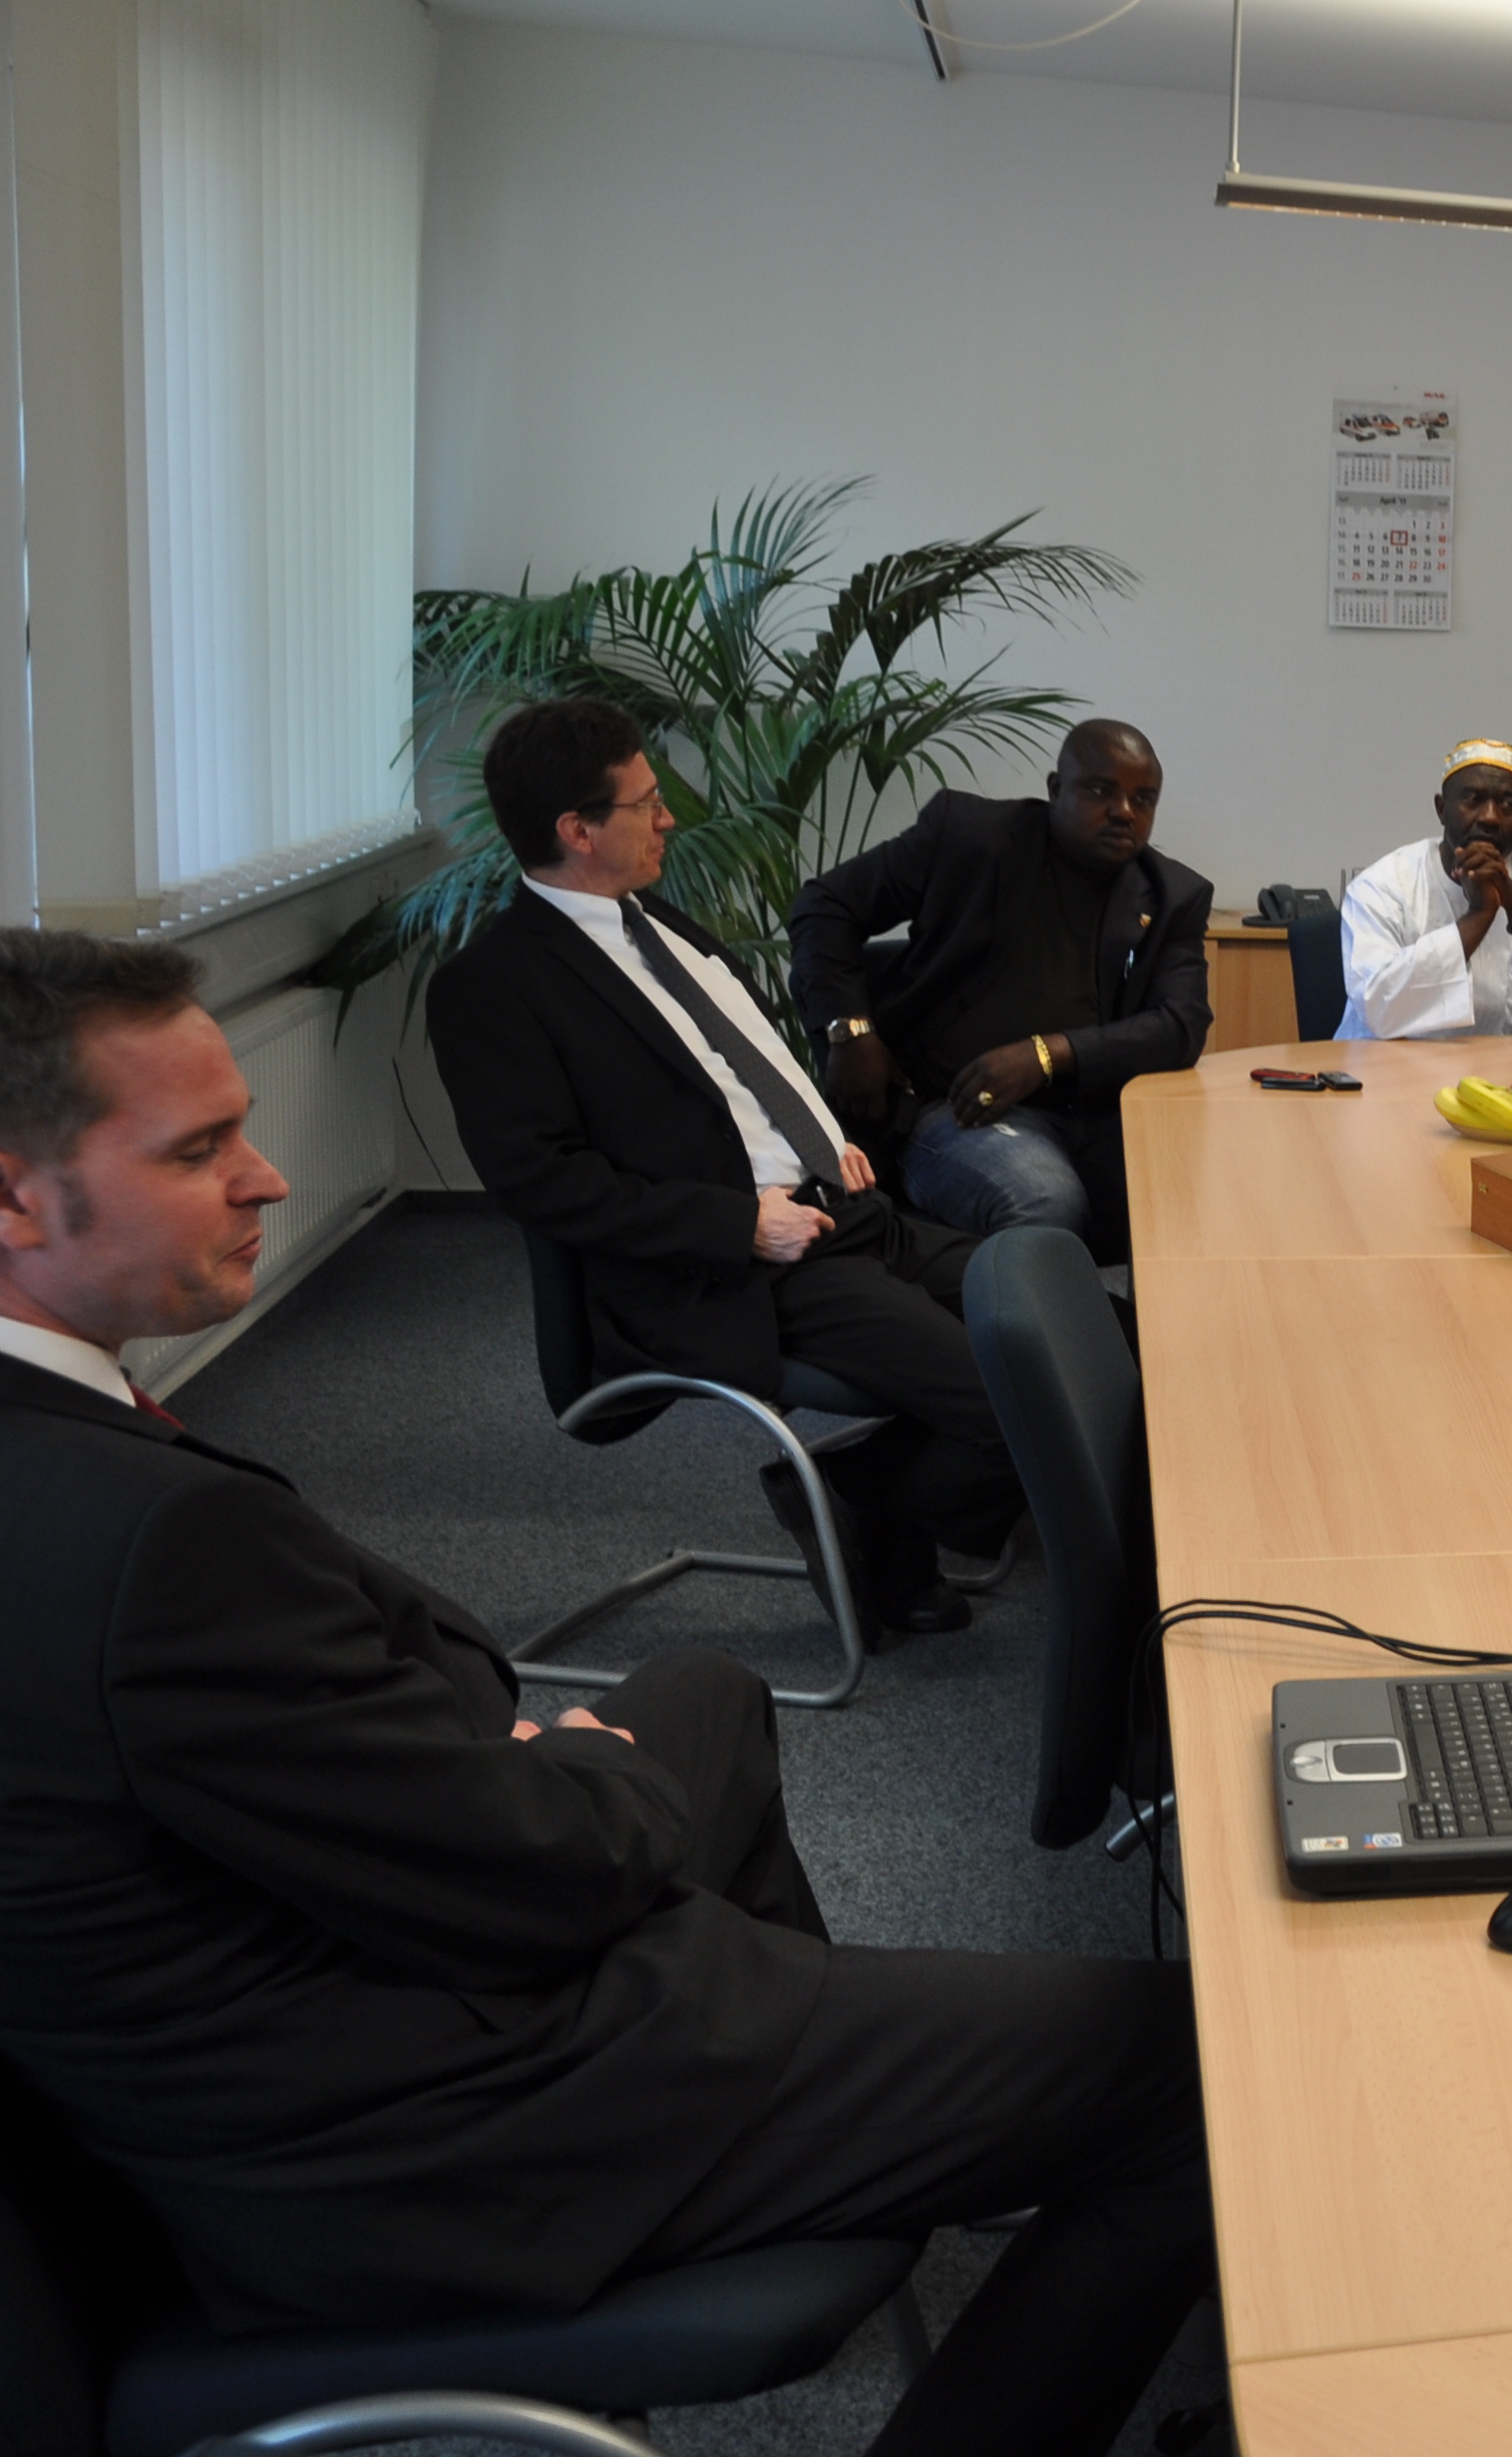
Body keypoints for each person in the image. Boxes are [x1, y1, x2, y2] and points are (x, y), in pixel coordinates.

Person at [0, 928, 1212, 2455]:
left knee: (703, 1693)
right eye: (198, 1150)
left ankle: (830, 2110)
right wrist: (556, 1762)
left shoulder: (80, 1474)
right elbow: (531, 1874)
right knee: (1195, 2069)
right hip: (443, 2140)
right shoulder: (153, 1545)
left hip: (298, 1998)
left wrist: (520, 1757)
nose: (268, 1178)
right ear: (14, 1197)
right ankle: (797, 2123)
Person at [433, 698, 1017, 1639]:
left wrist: (821, 1135)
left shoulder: (655, 922)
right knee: (1018, 1401)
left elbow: (738, 1068)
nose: (668, 818)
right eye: (645, 804)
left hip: (845, 1214)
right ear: (578, 831)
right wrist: (738, 1224)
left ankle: (859, 1498)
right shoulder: (492, 988)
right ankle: (862, 1500)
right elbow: (539, 1182)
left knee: (1088, 1330)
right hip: (733, 1268)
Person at [787, 716, 1214, 1251]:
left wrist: (1047, 1055)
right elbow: (826, 904)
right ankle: (1010, 1308)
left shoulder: (1172, 895)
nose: (1124, 811)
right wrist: (849, 1030)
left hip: (1101, 1114)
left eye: (1143, 799)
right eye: (1101, 790)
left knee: (1215, 1187)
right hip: (956, 1109)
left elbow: (1180, 1025)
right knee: (1044, 1200)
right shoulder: (968, 837)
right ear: (1056, 788)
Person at [1335, 737, 1512, 1041]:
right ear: (1441, 809)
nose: (1490, 817)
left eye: (1508, 805)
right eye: (1472, 800)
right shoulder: (1384, 885)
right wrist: (1480, 915)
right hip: (1389, 1065)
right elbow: (1379, 1008)